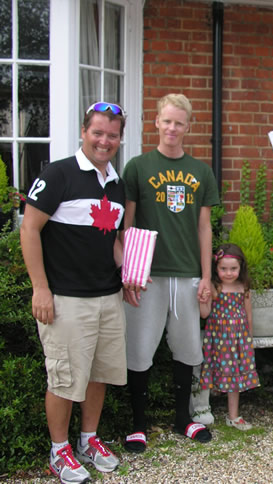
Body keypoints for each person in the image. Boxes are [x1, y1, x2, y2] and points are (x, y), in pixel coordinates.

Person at [20, 102, 128, 483]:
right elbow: (29, 228)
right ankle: (59, 450)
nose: (104, 141)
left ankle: (88, 439)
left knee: (98, 374)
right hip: (65, 298)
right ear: (84, 132)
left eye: (112, 135)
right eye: (97, 132)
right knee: (65, 380)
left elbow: (112, 240)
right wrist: (40, 288)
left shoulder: (116, 183)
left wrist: (128, 273)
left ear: (119, 139)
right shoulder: (59, 173)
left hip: (107, 297)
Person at [121, 93, 219, 452]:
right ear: (156, 122)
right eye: (167, 121)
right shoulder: (138, 167)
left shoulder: (201, 171)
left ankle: (183, 418)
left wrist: (206, 276)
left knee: (187, 349)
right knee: (139, 350)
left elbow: (204, 227)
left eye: (179, 122)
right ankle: (138, 424)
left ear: (188, 127)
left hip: (187, 272)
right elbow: (127, 223)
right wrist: (128, 272)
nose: (172, 128)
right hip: (146, 275)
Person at [199, 243, 259, 431]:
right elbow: (204, 314)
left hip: (239, 340)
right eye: (223, 268)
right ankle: (201, 411)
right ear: (216, 268)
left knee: (235, 377)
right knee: (211, 372)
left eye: (233, 268)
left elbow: (248, 314)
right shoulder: (214, 287)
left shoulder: (244, 286)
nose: (229, 273)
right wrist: (202, 300)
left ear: (241, 268)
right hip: (219, 340)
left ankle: (233, 416)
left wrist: (249, 338)